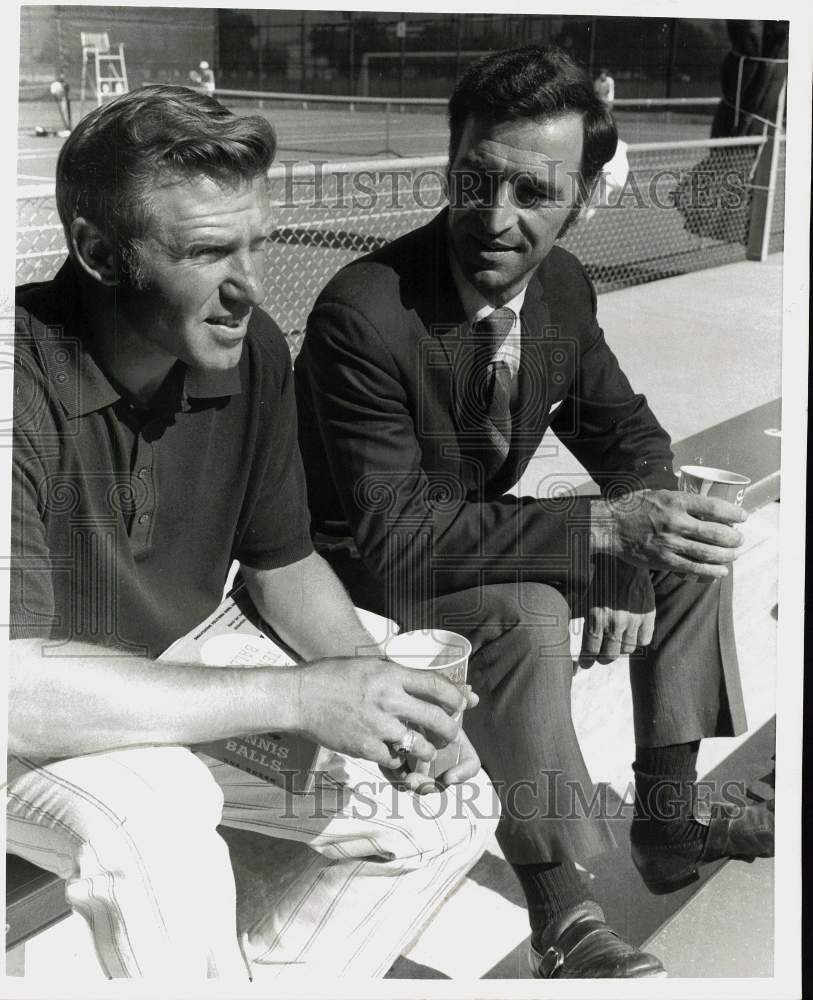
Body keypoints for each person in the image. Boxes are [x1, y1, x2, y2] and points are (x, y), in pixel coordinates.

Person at [295, 46, 774, 980]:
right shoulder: (365, 312)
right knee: (528, 612)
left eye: (533, 191)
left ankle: (669, 824)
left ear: (586, 195)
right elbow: (393, 534)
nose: (495, 218)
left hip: (472, 526)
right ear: (450, 167)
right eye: (475, 181)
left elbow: (631, 440)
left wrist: (633, 555)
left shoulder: (561, 289)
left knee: (685, 526)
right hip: (366, 564)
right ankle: (562, 914)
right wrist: (598, 534)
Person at [9, 84, 499, 982]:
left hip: (173, 667)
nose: (247, 287)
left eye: (255, 244)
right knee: (155, 821)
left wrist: (374, 685)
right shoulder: (17, 375)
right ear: (97, 251)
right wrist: (301, 699)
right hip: (30, 708)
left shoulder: (251, 348)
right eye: (206, 252)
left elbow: (284, 563)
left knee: (447, 802)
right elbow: (15, 692)